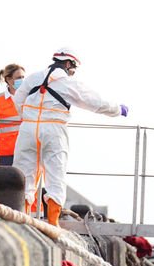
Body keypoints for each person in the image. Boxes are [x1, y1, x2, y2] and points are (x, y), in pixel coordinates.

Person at [12, 48, 128, 226]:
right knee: (55, 174)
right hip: (54, 130)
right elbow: (95, 102)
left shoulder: (32, 78)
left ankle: (23, 220)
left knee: (25, 174)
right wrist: (117, 110)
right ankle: (52, 222)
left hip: (28, 128)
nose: (73, 73)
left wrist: (29, 118)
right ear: (67, 64)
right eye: (72, 69)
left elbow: (18, 99)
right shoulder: (68, 83)